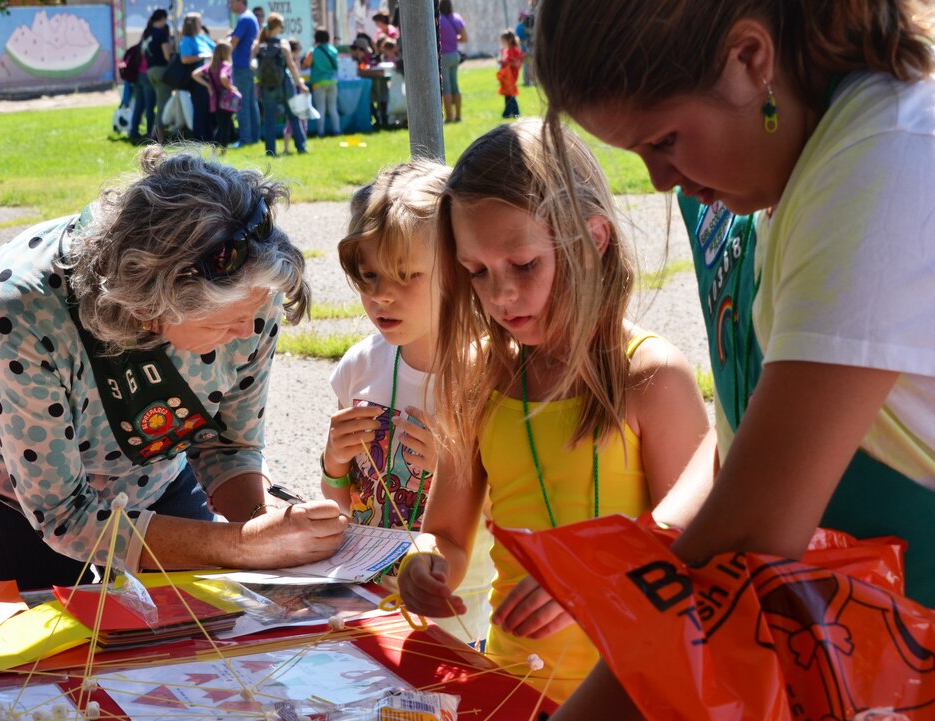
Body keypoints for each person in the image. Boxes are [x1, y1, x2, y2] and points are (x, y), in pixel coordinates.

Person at [531, 0, 935, 716]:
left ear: (751, 59)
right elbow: (749, 445)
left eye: (664, 140)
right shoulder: (825, 155)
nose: (659, 180)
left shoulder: (885, 160)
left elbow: (749, 537)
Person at [0, 147, 348, 592]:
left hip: (152, 468)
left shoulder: (250, 285)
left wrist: (269, 528)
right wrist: (241, 545)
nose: (249, 330)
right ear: (152, 310)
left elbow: (228, 445)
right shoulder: (18, 307)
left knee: (201, 631)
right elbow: (65, 515)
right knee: (54, 648)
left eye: (256, 311)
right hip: (1, 484)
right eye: (221, 325)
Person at [396, 119, 711, 699]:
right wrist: (424, 564)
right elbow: (446, 533)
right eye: (477, 273)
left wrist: (593, 584)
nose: (500, 295)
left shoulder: (651, 377)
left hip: (633, 697)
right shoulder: (477, 375)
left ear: (592, 238)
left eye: (524, 264)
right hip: (514, 691)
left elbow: (695, 559)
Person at [321, 159, 451, 587]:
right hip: (366, 596)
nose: (380, 296)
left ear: (457, 272)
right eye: (369, 275)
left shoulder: (488, 379)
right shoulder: (359, 366)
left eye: (405, 275)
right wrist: (334, 463)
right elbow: (343, 501)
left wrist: (452, 472)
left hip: (453, 609)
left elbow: (509, 516)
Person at [256, 13, 309, 157]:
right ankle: (301, 147)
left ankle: (270, 151)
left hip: (268, 87)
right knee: (293, 116)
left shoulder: (259, 44)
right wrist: (301, 84)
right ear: (278, 27)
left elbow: (252, 65)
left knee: (269, 121)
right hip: (285, 84)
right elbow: (291, 66)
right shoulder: (283, 43)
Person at [192, 43, 239, 150]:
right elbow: (223, 76)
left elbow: (195, 74)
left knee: (219, 124)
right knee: (226, 125)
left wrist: (208, 85)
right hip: (226, 99)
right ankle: (223, 149)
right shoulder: (226, 65)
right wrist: (231, 87)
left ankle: (214, 147)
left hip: (214, 100)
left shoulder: (211, 66)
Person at [228, 0, 261, 147]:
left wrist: (221, 56)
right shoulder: (250, 17)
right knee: (250, 103)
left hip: (241, 67)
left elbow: (233, 42)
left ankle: (245, 139)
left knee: (242, 104)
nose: (229, 4)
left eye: (232, 2)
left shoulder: (244, 18)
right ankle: (254, 137)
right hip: (247, 67)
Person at [178, 12, 215, 142]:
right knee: (200, 108)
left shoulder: (202, 38)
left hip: (210, 78)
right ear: (193, 24)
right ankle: (199, 138)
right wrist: (202, 56)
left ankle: (210, 136)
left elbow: (215, 50)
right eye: (199, 22)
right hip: (197, 80)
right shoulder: (186, 40)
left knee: (210, 108)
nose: (201, 24)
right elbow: (184, 59)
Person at [304, 26, 341, 138]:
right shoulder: (333, 50)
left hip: (318, 83)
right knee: (333, 108)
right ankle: (337, 130)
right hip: (332, 82)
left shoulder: (313, 51)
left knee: (321, 108)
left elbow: (306, 63)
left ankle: (320, 132)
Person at [142, 9, 173, 141]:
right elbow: (167, 55)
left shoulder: (147, 33)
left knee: (159, 102)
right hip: (161, 71)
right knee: (162, 104)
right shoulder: (161, 34)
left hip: (150, 71)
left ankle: (154, 134)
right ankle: (159, 138)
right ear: (162, 18)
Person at [437, 0, 467, 123]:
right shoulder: (457, 18)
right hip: (455, 55)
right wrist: (453, 39)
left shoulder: (439, 19)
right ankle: (458, 115)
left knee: (447, 87)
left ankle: (449, 116)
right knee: (455, 85)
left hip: (443, 55)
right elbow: (464, 38)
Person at [282, 38, 309, 154]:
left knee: (290, 122)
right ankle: (300, 144)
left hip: (292, 93)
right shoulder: (292, 62)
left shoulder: (285, 61)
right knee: (300, 120)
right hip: (297, 93)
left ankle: (286, 147)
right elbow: (296, 77)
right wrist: (301, 83)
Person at [496, 29, 524, 119]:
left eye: (503, 41)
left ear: (509, 40)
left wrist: (505, 63)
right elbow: (506, 60)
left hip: (511, 75)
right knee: (508, 93)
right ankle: (515, 112)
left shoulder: (515, 50)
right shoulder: (507, 50)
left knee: (510, 93)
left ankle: (508, 113)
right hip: (506, 75)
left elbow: (516, 63)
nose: (502, 43)